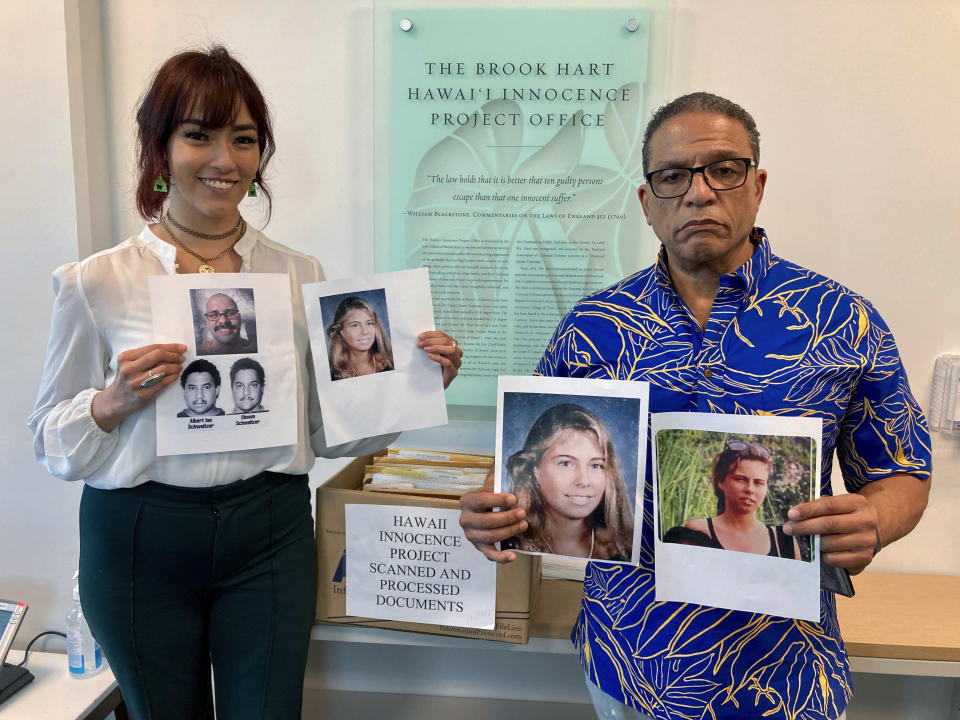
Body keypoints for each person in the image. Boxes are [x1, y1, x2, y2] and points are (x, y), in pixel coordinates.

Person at [460, 92, 931, 720]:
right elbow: (527, 464)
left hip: (785, 673)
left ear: (757, 185)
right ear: (647, 203)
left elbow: (903, 473)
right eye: (673, 176)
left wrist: (874, 519)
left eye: (724, 169)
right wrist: (494, 509)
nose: (699, 192)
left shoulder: (842, 320)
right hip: (631, 664)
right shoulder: (593, 327)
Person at [29, 46, 463, 720]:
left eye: (244, 139)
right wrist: (110, 402)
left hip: (270, 531)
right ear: (160, 148)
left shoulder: (298, 272)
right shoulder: (98, 281)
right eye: (198, 135)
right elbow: (50, 441)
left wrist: (410, 383)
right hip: (141, 535)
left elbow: (324, 432)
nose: (224, 160)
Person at [501, 403, 633, 561]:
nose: (584, 481)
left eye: (596, 465)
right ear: (535, 469)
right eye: (566, 463)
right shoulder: (505, 542)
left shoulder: (625, 552)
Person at [662, 440, 799, 559]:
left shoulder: (783, 542)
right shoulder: (699, 530)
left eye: (758, 482)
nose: (750, 489)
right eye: (740, 479)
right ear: (721, 481)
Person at [326, 295, 395, 380]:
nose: (365, 332)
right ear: (341, 332)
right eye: (355, 325)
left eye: (369, 323)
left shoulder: (392, 362)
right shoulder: (330, 375)